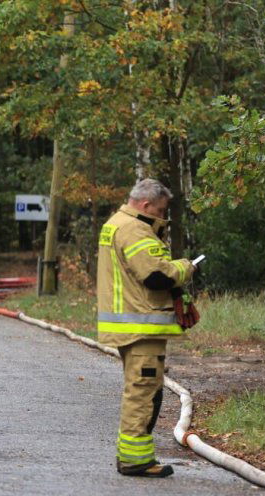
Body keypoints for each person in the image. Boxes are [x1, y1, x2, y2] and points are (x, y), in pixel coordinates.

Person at [97, 178, 197, 478]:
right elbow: (155, 275)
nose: (162, 217)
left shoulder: (117, 224)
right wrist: (186, 267)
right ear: (145, 204)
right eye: (160, 210)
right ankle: (134, 460)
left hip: (133, 323)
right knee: (142, 392)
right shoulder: (133, 228)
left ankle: (135, 456)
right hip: (141, 325)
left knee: (146, 391)